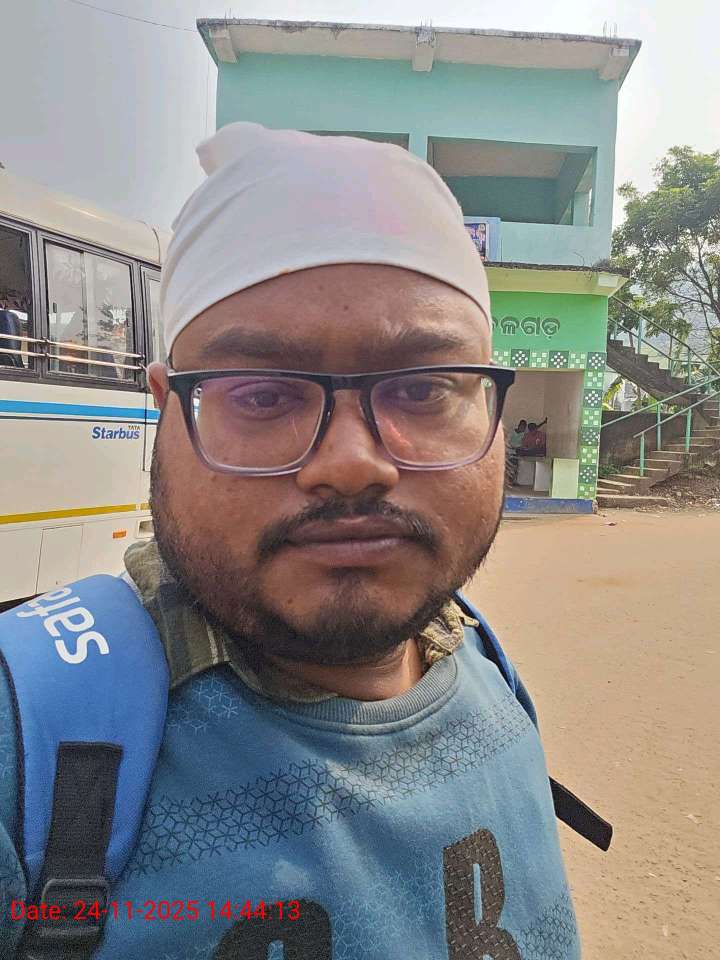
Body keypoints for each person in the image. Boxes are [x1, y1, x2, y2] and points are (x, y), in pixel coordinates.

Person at [0, 123, 592, 959]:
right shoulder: (26, 751)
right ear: (165, 412)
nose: (351, 465)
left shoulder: (488, 670)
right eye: (261, 394)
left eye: (424, 388)